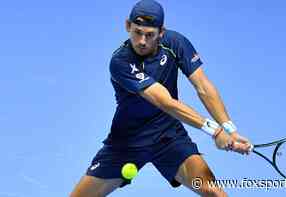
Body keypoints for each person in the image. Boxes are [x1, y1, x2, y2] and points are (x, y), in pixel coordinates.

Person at [70, 0, 252, 196]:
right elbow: (165, 102)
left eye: (149, 35)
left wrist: (228, 128)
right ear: (127, 26)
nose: (142, 41)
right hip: (125, 143)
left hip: (168, 137)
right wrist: (215, 131)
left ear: (161, 32)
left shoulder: (175, 43)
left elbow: (203, 86)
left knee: (215, 192)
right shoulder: (120, 62)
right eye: (137, 32)